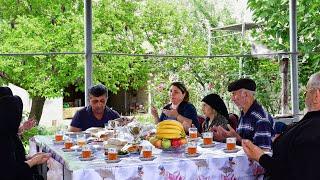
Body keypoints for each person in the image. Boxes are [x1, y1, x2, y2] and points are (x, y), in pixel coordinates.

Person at [242, 72, 320, 180]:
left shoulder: (313, 128)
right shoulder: (311, 124)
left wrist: (260, 157)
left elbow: (294, 173)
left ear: (316, 96)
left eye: (306, 93)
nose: (305, 97)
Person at [213, 78, 274, 150]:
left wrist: (237, 138)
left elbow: (263, 153)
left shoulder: (260, 118)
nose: (232, 99)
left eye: (234, 94)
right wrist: (224, 139)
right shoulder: (244, 114)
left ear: (245, 94)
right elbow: (241, 145)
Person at [0, 94, 51, 180]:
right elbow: (9, 173)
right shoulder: (4, 139)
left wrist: (30, 158)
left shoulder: (7, 132)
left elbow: (12, 161)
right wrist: (33, 161)